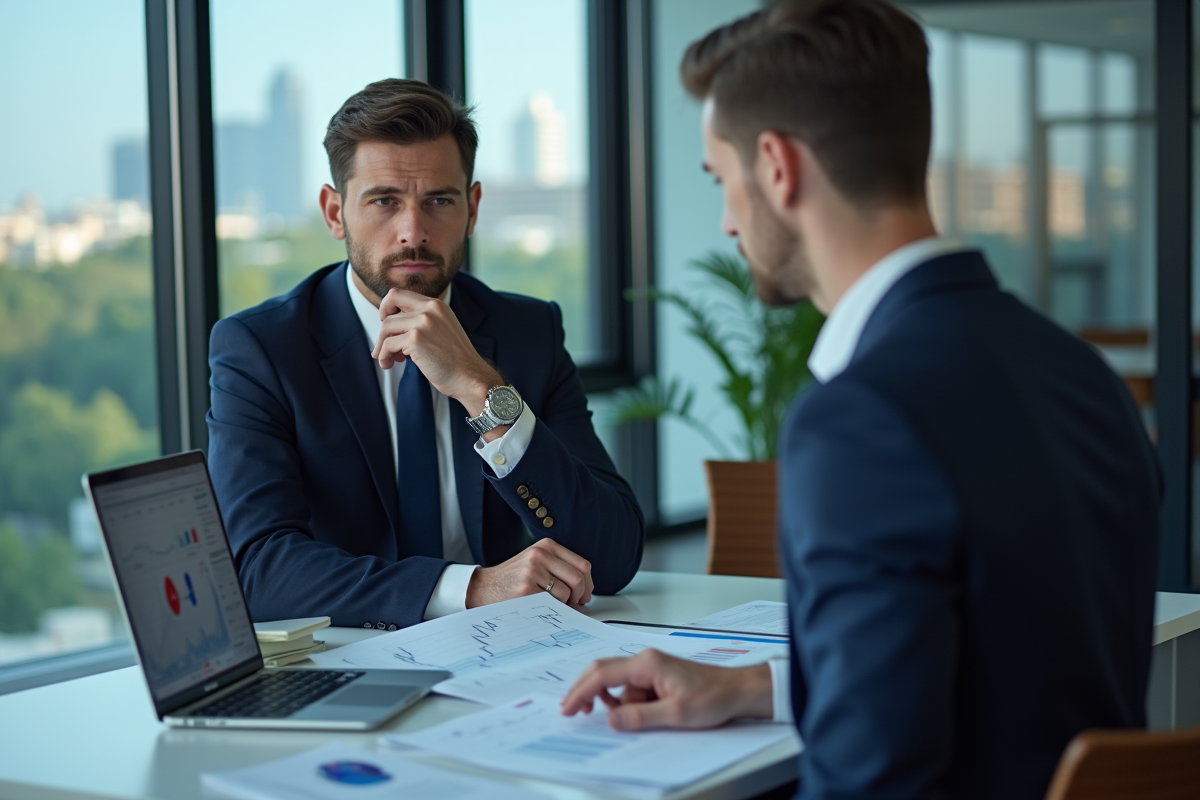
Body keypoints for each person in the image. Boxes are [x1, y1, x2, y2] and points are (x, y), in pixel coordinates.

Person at [561, 1, 1161, 798]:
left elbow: (870, 782)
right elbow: (1006, 670)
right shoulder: (1082, 372)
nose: (728, 223)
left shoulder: (862, 420)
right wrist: (754, 688)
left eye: (722, 181)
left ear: (777, 166)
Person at [207, 79, 644, 631]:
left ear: (472, 208)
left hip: (508, 655)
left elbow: (613, 555)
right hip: (350, 657)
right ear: (334, 212)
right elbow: (255, 570)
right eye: (384, 201)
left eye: (439, 200)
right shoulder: (261, 349)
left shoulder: (528, 332)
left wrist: (482, 389)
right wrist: (471, 588)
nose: (412, 232)